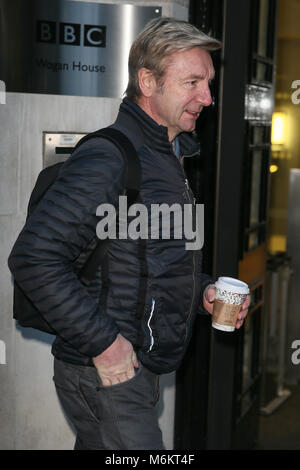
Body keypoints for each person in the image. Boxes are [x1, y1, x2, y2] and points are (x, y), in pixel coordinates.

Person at [8, 17, 250, 450]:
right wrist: (107, 345)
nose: (207, 98)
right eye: (192, 82)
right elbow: (34, 257)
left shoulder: (169, 159)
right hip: (106, 372)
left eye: (208, 83)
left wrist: (203, 292)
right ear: (147, 81)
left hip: (136, 370)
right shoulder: (110, 157)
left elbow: (147, 263)